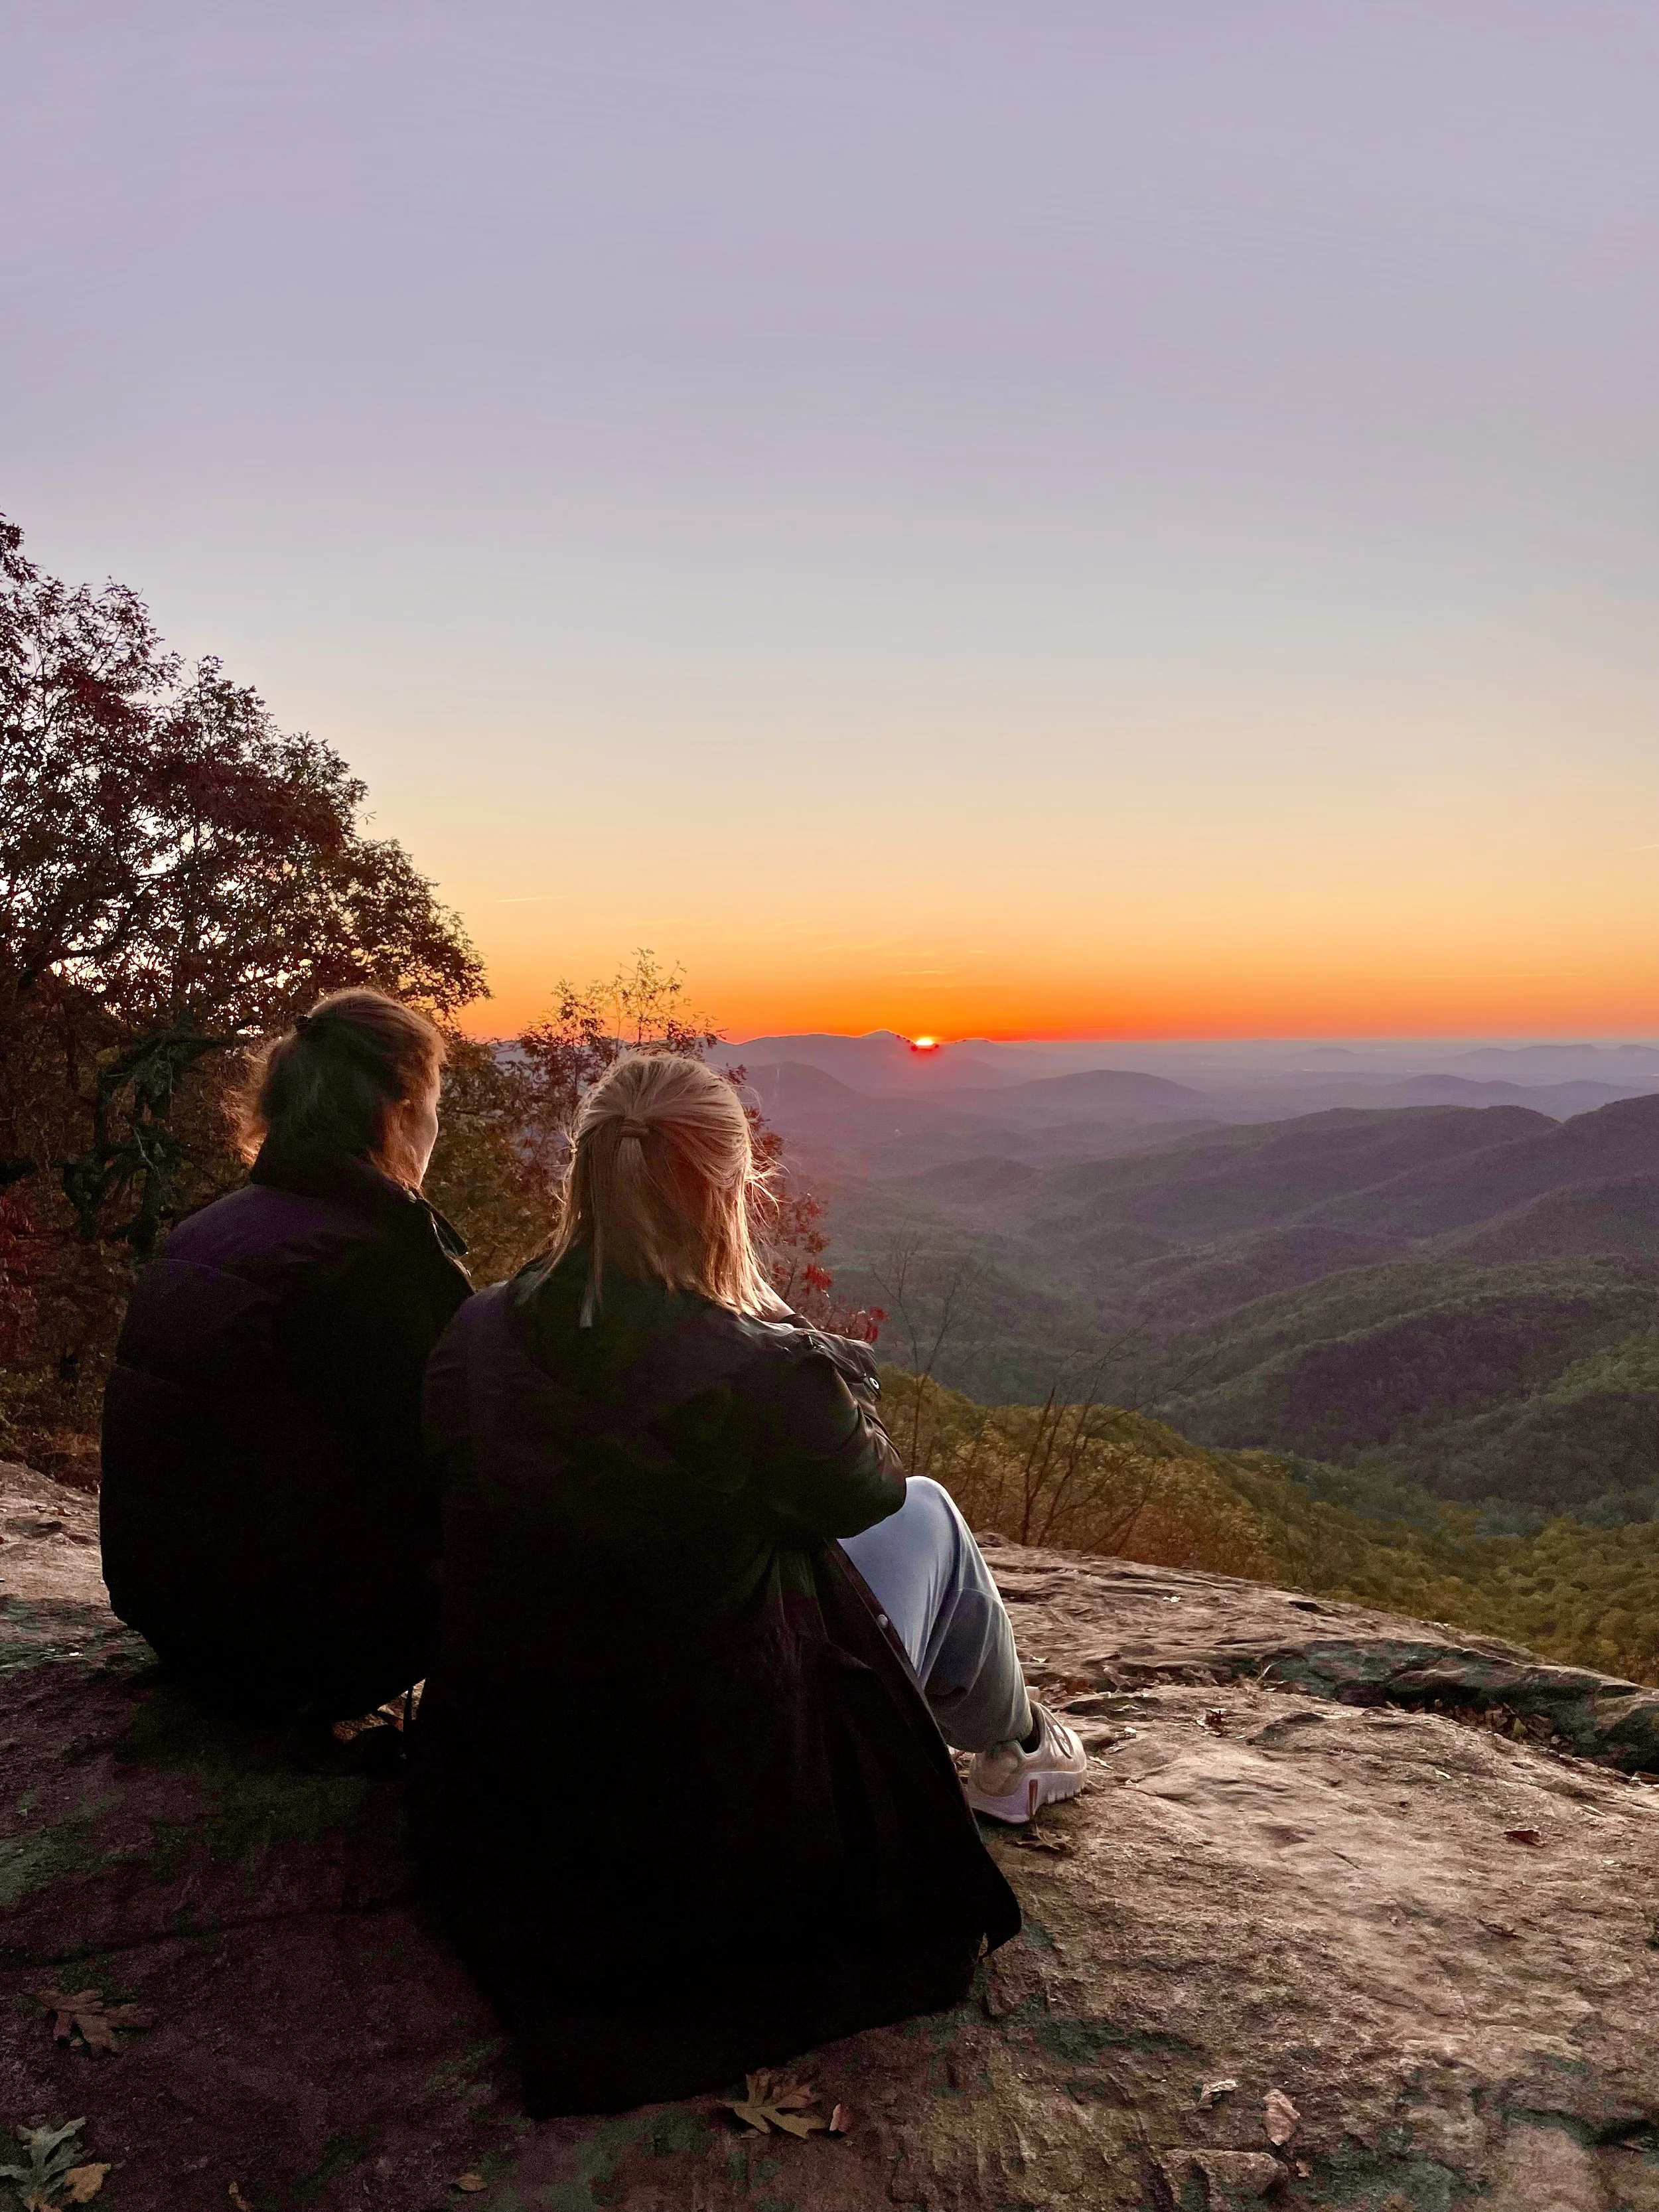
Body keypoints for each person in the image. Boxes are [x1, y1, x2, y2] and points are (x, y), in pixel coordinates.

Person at [416, 1050, 1085, 2116]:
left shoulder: (477, 1333)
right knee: (929, 1514)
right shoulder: (756, 1373)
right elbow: (865, 1492)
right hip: (713, 1804)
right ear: (730, 1188)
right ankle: (1016, 1752)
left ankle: (1016, 1746)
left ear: (580, 1177)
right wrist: (781, 1335)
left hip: (518, 1778)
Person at [100, 988, 470, 1724]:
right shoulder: (373, 1259)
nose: (435, 1127)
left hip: (172, 1616)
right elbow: (448, 1464)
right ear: (398, 1112)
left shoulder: (204, 1233)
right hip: (302, 1647)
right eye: (433, 1105)